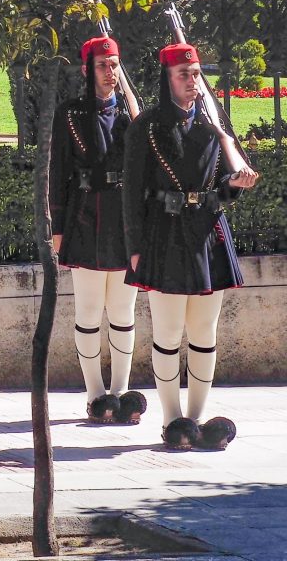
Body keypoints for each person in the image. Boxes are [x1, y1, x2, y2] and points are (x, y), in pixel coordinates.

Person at [122, 42, 258, 450]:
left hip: (207, 231)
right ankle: (171, 419)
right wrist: (134, 245)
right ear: (168, 79)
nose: (192, 81)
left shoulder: (212, 125)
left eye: (196, 73)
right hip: (164, 233)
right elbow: (132, 194)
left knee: (203, 330)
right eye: (183, 74)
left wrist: (234, 184)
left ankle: (195, 422)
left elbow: (220, 184)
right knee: (167, 332)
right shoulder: (145, 127)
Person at [50, 36, 146, 425]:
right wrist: (57, 232)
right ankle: (94, 394)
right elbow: (57, 176)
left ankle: (121, 392)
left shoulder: (130, 116)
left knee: (123, 311)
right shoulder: (69, 114)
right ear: (88, 69)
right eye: (104, 65)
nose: (111, 72)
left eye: (115, 65)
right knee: (89, 312)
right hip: (85, 219)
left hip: (122, 223)